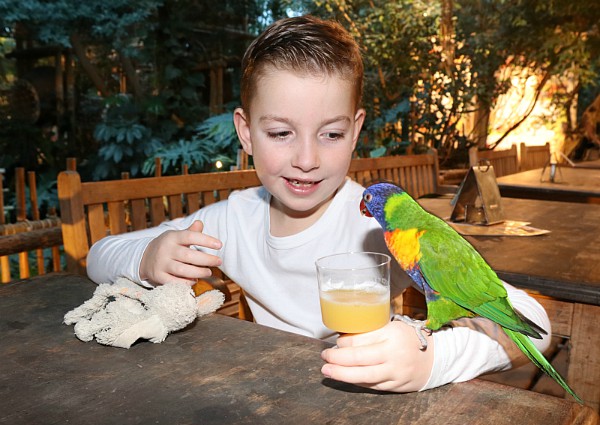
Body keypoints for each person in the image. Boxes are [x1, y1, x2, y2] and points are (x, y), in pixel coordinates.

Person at [87, 15, 551, 393]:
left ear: (355, 131)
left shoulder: (388, 231)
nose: (306, 160)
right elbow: (98, 254)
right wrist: (149, 257)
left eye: (330, 134)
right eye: (280, 133)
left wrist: (433, 361)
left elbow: (539, 324)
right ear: (246, 133)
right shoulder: (231, 221)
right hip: (265, 399)